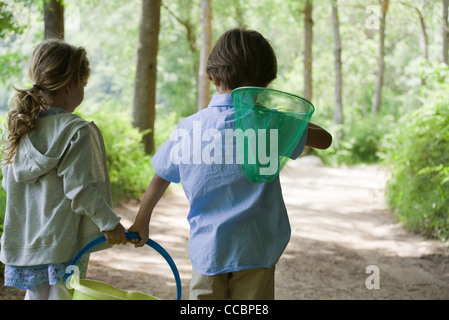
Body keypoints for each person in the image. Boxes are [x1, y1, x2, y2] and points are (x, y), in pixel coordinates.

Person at [129, 28, 332, 300]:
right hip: (256, 249)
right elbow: (325, 140)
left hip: (208, 252)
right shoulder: (271, 126)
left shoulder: (189, 128)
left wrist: (142, 220)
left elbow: (160, 175)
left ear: (213, 76)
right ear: (266, 82)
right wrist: (283, 118)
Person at [0, 39, 128, 300]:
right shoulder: (75, 130)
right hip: (61, 243)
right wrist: (110, 223)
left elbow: (9, 183)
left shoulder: (21, 126)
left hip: (25, 241)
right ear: (71, 86)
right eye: (83, 85)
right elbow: (80, 189)